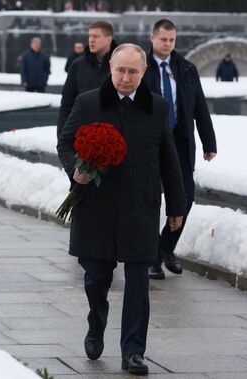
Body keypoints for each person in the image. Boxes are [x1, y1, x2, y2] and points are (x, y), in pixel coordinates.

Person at [57, 44, 187, 376]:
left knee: (138, 281)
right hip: (96, 208)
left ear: (143, 73)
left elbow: (169, 159)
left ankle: (133, 351)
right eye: (120, 70)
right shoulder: (88, 103)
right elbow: (66, 141)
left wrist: (176, 205)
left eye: (133, 72)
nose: (126, 78)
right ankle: (96, 321)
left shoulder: (156, 107)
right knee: (96, 279)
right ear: (111, 69)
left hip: (139, 208)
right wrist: (76, 167)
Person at [143, 19, 217, 280]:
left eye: (172, 40)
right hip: (150, 144)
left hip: (180, 144)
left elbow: (199, 107)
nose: (167, 44)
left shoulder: (186, 69)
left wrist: (209, 143)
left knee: (185, 196)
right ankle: (151, 259)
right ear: (153, 38)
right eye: (163, 39)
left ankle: (166, 248)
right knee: (151, 200)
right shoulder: (141, 67)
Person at [57, 20, 117, 139]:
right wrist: (62, 138)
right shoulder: (78, 65)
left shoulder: (120, 64)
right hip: (82, 136)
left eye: (96, 36)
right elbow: (66, 104)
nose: (91, 40)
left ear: (108, 39)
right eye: (90, 36)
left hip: (114, 135)